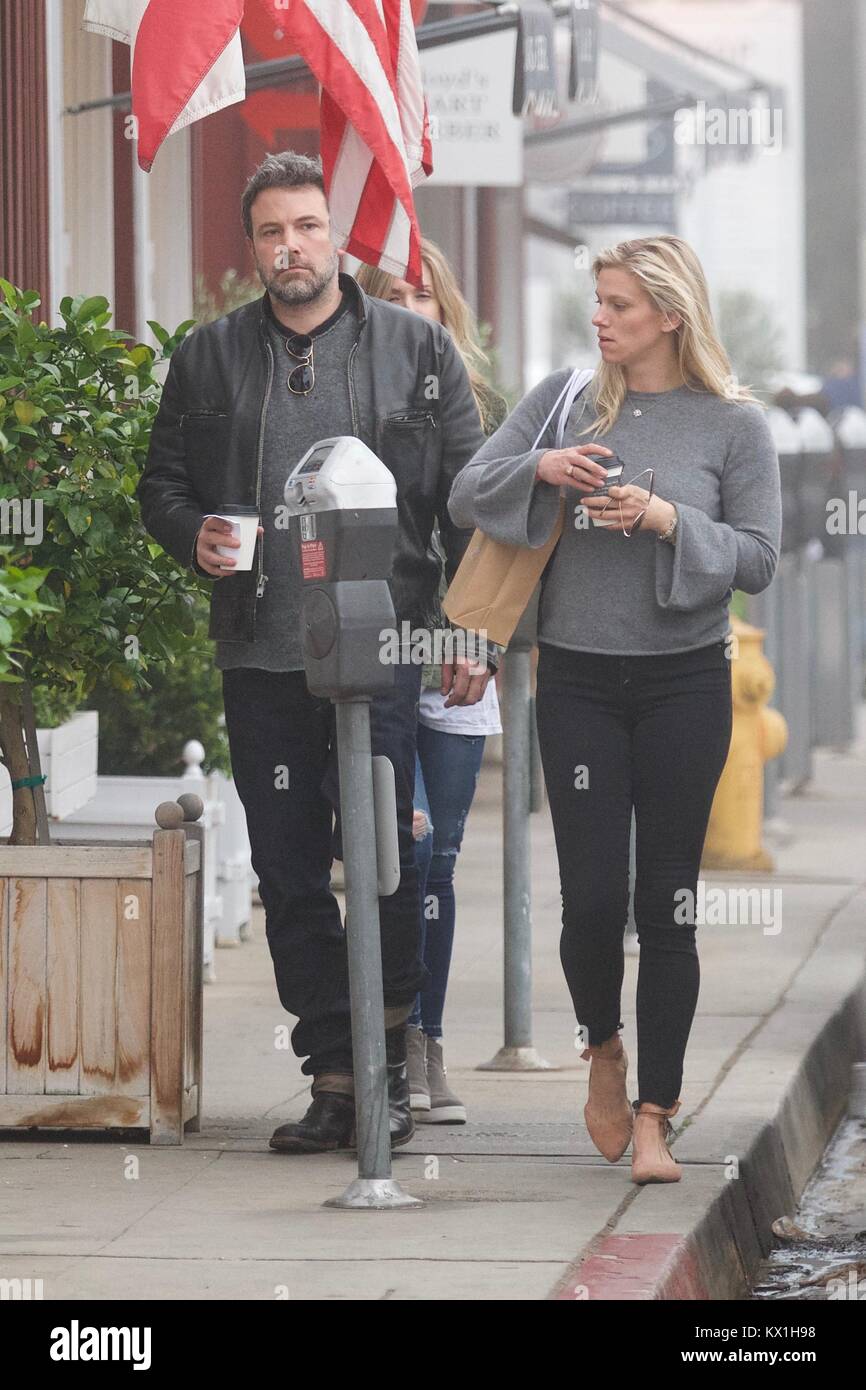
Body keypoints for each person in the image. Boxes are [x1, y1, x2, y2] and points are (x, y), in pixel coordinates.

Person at [137, 151, 493, 1155]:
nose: (289, 246)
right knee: (291, 869)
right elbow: (161, 486)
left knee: (394, 855)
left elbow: (466, 504)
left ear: (334, 235)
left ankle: (387, 1065)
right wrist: (190, 530)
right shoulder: (208, 357)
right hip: (261, 650)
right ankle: (333, 1076)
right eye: (270, 231)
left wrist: (468, 627)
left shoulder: (416, 350)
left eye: (305, 225)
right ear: (250, 246)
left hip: (381, 646)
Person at [448, 234, 781, 1184]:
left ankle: (653, 1119)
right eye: (597, 301)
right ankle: (603, 1047)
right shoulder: (562, 398)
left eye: (619, 306)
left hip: (684, 682)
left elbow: (759, 558)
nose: (600, 319)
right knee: (592, 899)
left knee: (666, 902)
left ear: (670, 317)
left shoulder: (733, 427)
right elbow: (471, 491)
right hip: (580, 682)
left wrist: (667, 519)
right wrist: (544, 471)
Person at [356, 241, 507, 1123]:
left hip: (450, 657)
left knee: (439, 859)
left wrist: (470, 634)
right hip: (374, 658)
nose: (414, 309)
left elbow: (484, 541)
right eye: (394, 294)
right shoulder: (345, 396)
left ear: (448, 317)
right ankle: (379, 1041)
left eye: (428, 296)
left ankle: (425, 1044)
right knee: (395, 848)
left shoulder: (469, 415)